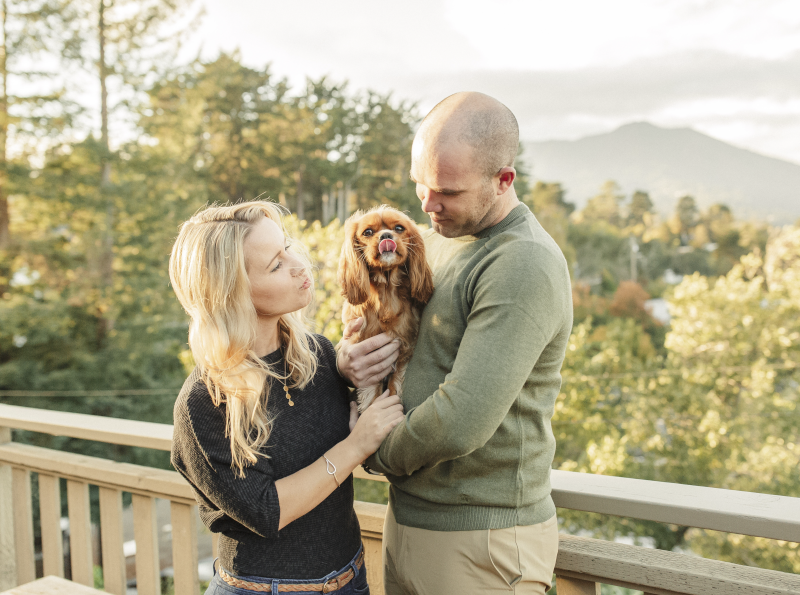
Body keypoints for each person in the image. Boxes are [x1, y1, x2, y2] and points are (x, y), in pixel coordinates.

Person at [337, 92, 573, 594]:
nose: (428, 204)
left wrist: (371, 450)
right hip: (412, 518)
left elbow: (461, 416)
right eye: (420, 185)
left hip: (483, 539)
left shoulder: (521, 262)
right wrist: (348, 360)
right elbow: (383, 326)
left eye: (447, 190)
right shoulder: (434, 239)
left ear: (503, 179)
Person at [169, 201, 404, 595]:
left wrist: (350, 368)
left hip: (350, 578)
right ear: (232, 294)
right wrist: (357, 444)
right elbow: (266, 511)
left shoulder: (318, 354)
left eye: (288, 247)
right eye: (276, 265)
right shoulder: (205, 402)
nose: (299, 265)